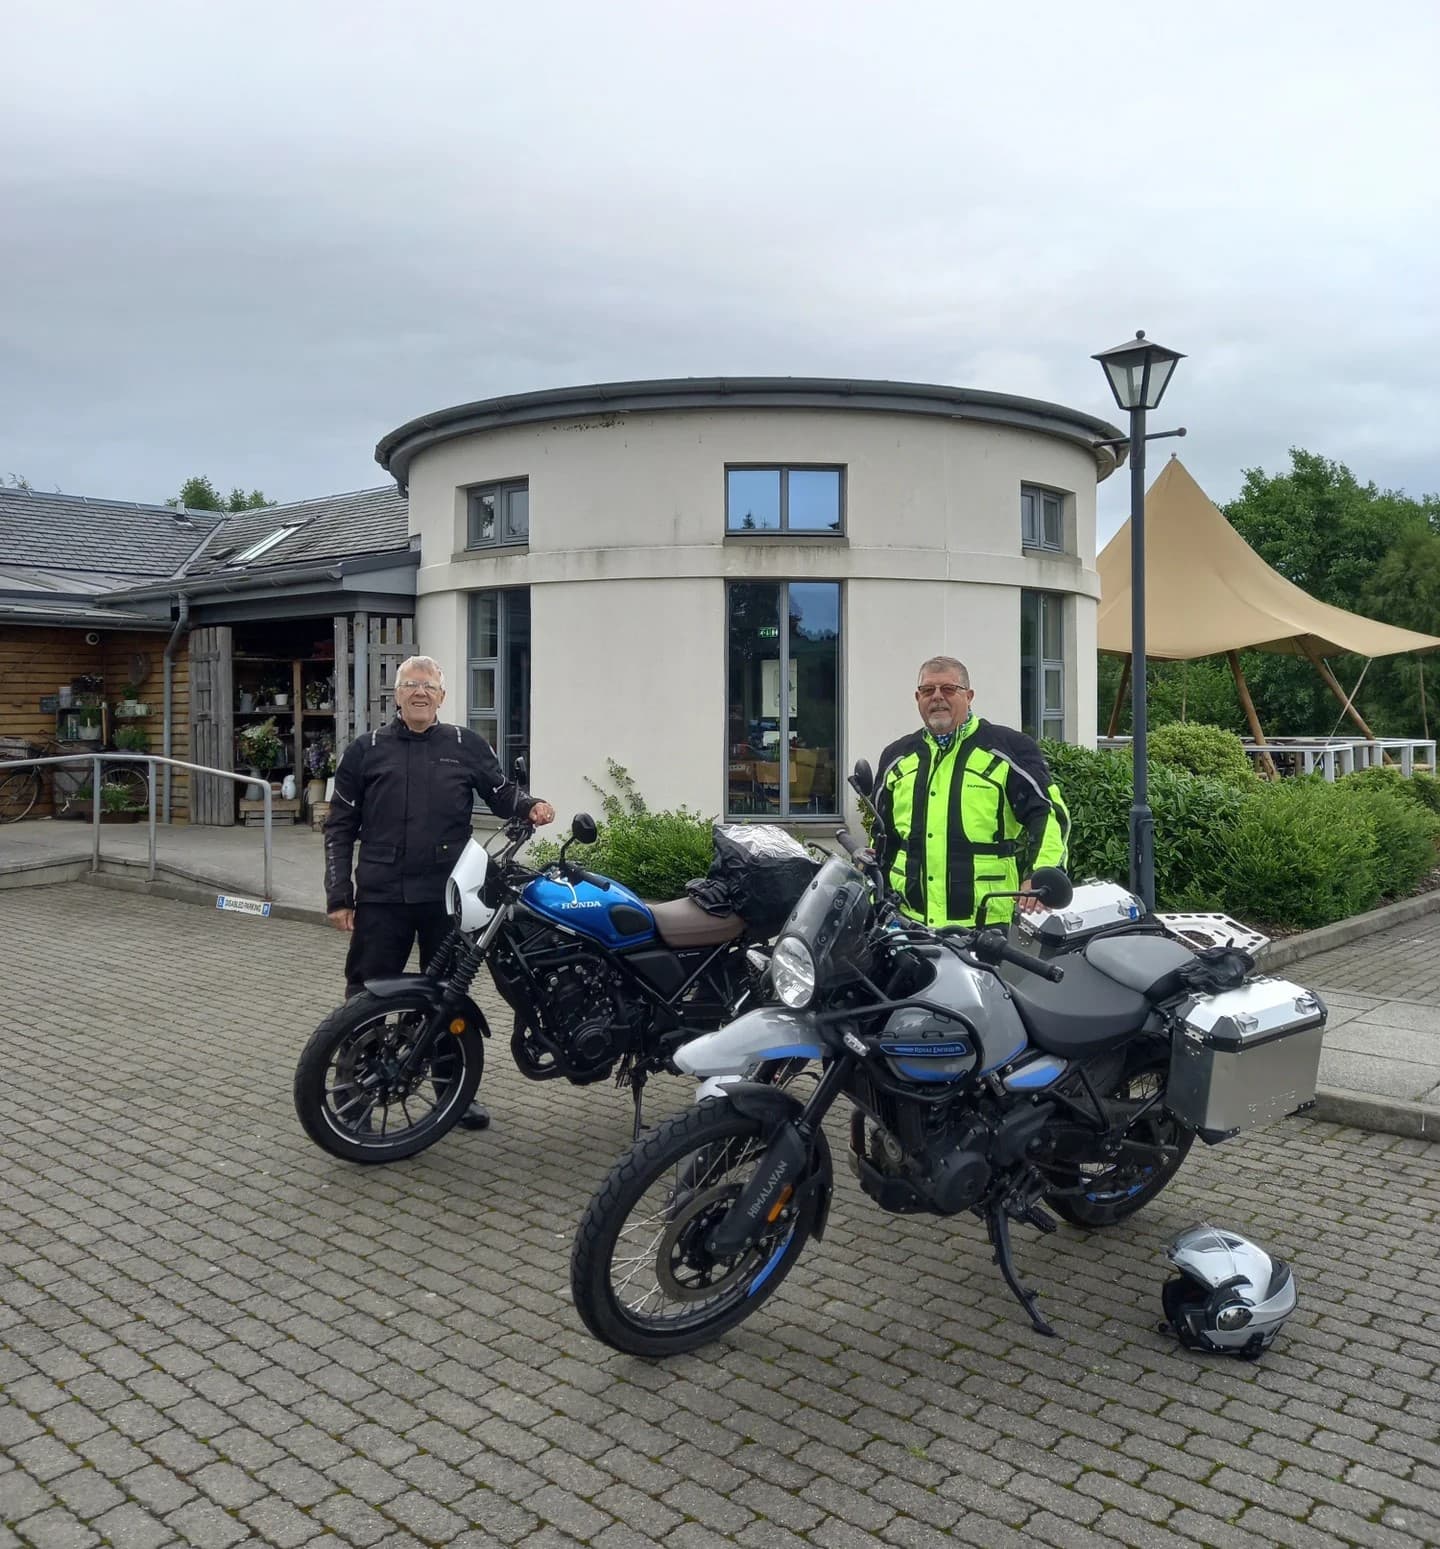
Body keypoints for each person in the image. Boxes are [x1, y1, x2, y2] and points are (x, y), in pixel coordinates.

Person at [324, 654, 556, 1130]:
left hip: (448, 897)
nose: (420, 693)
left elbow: (501, 793)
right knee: (366, 996)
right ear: (396, 695)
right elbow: (339, 826)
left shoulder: (465, 744)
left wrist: (530, 805)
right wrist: (338, 894)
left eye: (429, 687)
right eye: (411, 685)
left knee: (448, 996)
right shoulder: (366, 750)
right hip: (382, 896)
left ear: (442, 697)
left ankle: (453, 1094)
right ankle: (354, 1096)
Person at [873, 655, 1069, 929]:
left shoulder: (1009, 748)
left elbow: (1048, 813)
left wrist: (1041, 872)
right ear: (917, 698)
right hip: (908, 922)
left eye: (948, 689)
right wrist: (874, 894)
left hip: (986, 922)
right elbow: (882, 836)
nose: (937, 697)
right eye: (928, 690)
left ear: (969, 696)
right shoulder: (897, 756)